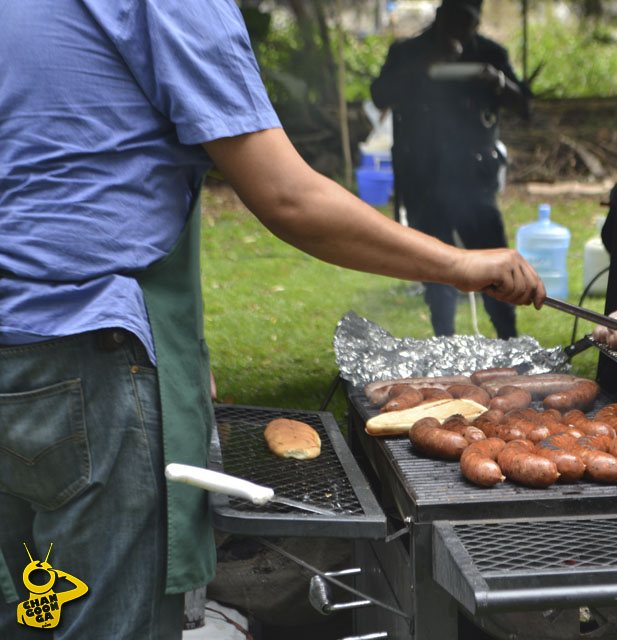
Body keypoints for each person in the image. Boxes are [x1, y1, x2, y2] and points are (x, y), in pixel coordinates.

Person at [0, 2, 544, 639]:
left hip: (22, 363)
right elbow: (288, 196)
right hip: (89, 366)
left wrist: (177, 357)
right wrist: (459, 263)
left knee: (37, 607)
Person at [370, 0, 532, 339]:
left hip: (474, 177)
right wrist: (423, 67)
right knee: (436, 266)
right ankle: (443, 341)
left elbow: (524, 104)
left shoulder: (488, 53)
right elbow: (379, 94)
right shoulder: (408, 51)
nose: (460, 28)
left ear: (476, 21)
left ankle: (509, 339)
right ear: (440, 17)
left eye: (468, 21)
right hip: (421, 177)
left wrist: (498, 81)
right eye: (453, 19)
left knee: (493, 262)